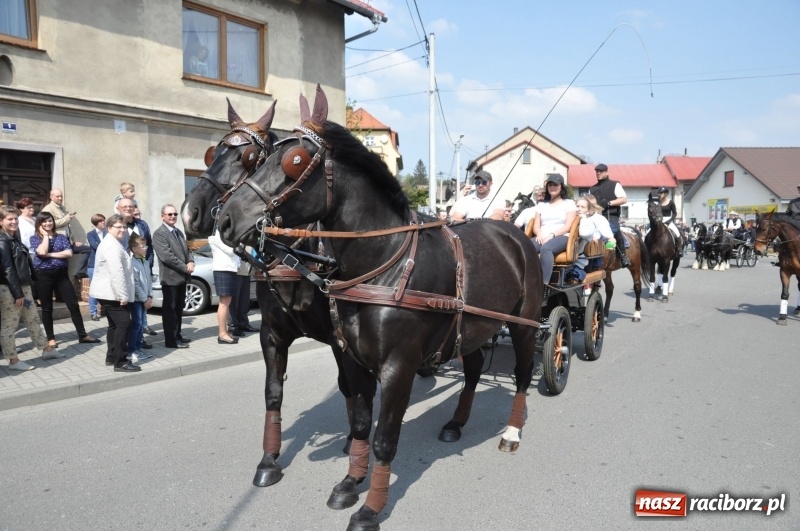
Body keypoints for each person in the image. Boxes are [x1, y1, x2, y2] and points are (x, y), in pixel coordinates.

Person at [0, 206, 62, 371]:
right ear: (0, 221)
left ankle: (47, 350)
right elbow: (8, 269)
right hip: (10, 289)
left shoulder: (14, 237)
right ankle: (13, 361)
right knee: (9, 325)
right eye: (9, 219)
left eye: (15, 218)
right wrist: (17, 293)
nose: (14, 222)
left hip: (23, 286)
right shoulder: (2, 240)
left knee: (33, 318)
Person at [30, 211, 100, 348]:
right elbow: (41, 252)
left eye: (50, 220)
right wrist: (45, 237)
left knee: (73, 304)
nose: (48, 223)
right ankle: (51, 338)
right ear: (39, 224)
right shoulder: (35, 238)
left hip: (61, 274)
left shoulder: (61, 237)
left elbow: (68, 253)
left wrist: (49, 254)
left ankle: (82, 335)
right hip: (43, 275)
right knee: (47, 308)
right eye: (44, 221)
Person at [90, 214, 139, 372]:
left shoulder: (112, 242)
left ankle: (111, 357)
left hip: (108, 292)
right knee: (124, 323)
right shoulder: (111, 246)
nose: (122, 230)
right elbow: (116, 273)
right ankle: (120, 361)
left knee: (114, 325)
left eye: (124, 227)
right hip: (112, 293)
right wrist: (122, 295)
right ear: (109, 228)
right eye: (118, 227)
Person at [153, 204, 194, 350]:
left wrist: (191, 261)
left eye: (175, 214)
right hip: (170, 278)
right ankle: (170, 340)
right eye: (169, 214)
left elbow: (187, 249)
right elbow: (166, 257)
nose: (173, 217)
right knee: (170, 311)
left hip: (182, 278)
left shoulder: (178, 232)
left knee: (178, 309)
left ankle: (177, 335)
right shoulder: (159, 234)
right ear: (162, 216)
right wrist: (185, 267)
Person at [529, 173, 577, 284]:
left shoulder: (568, 203)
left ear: (561, 187)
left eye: (555, 185)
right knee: (526, 247)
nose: (552, 187)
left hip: (561, 236)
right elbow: (536, 225)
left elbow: (568, 226)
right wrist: (539, 234)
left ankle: (543, 283)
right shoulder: (542, 205)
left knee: (546, 248)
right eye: (550, 185)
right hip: (542, 236)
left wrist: (552, 235)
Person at [590, 163, 630, 267]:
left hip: (611, 215)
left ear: (607, 172)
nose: (598, 173)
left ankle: (623, 256)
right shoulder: (592, 188)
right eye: (597, 171)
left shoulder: (615, 184)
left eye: (601, 171)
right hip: (597, 216)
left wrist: (609, 203)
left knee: (614, 229)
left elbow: (624, 199)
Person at [209, 229, 240, 344]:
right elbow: (231, 250)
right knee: (224, 302)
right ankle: (222, 334)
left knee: (227, 301)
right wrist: (239, 240)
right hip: (223, 269)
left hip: (230, 268)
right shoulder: (215, 235)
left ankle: (225, 332)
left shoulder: (224, 234)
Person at [127, 234, 154, 362]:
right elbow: (136, 284)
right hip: (137, 300)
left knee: (142, 324)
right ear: (134, 249)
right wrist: (144, 299)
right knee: (136, 324)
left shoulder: (145, 261)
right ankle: (132, 350)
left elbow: (149, 281)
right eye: (142, 246)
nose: (145, 248)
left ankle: (138, 347)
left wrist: (150, 296)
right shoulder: (132, 263)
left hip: (145, 298)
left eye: (146, 246)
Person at [228, 248, 256, 337]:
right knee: (234, 301)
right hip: (236, 270)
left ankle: (244, 324)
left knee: (244, 301)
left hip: (247, 270)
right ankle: (233, 327)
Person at [86, 213, 106, 321]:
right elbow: (95, 246)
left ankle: (105, 310)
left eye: (103, 220)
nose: (103, 222)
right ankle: (93, 312)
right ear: (95, 223)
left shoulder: (108, 233)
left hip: (106, 264)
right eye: (100, 221)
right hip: (94, 264)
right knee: (94, 288)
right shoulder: (91, 234)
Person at [657, 186, 683, 256]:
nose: (659, 194)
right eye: (659, 193)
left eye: (661, 193)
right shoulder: (658, 202)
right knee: (648, 231)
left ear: (666, 194)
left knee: (677, 233)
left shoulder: (671, 202)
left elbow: (675, 213)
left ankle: (679, 249)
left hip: (668, 220)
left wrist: (669, 221)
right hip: (659, 220)